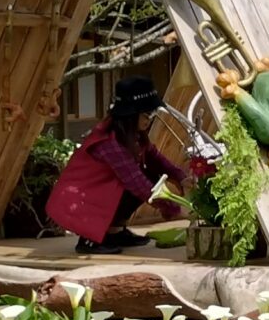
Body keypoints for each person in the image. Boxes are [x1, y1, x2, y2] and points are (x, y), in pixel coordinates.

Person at [46, 77, 188, 252]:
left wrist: (181, 178)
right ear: (131, 114)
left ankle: (115, 232)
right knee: (141, 183)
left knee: (151, 176)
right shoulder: (109, 141)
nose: (150, 119)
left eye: (152, 114)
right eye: (147, 115)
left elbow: (154, 158)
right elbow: (136, 183)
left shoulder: (133, 135)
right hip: (79, 203)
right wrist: (174, 209)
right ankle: (89, 239)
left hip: (96, 197)